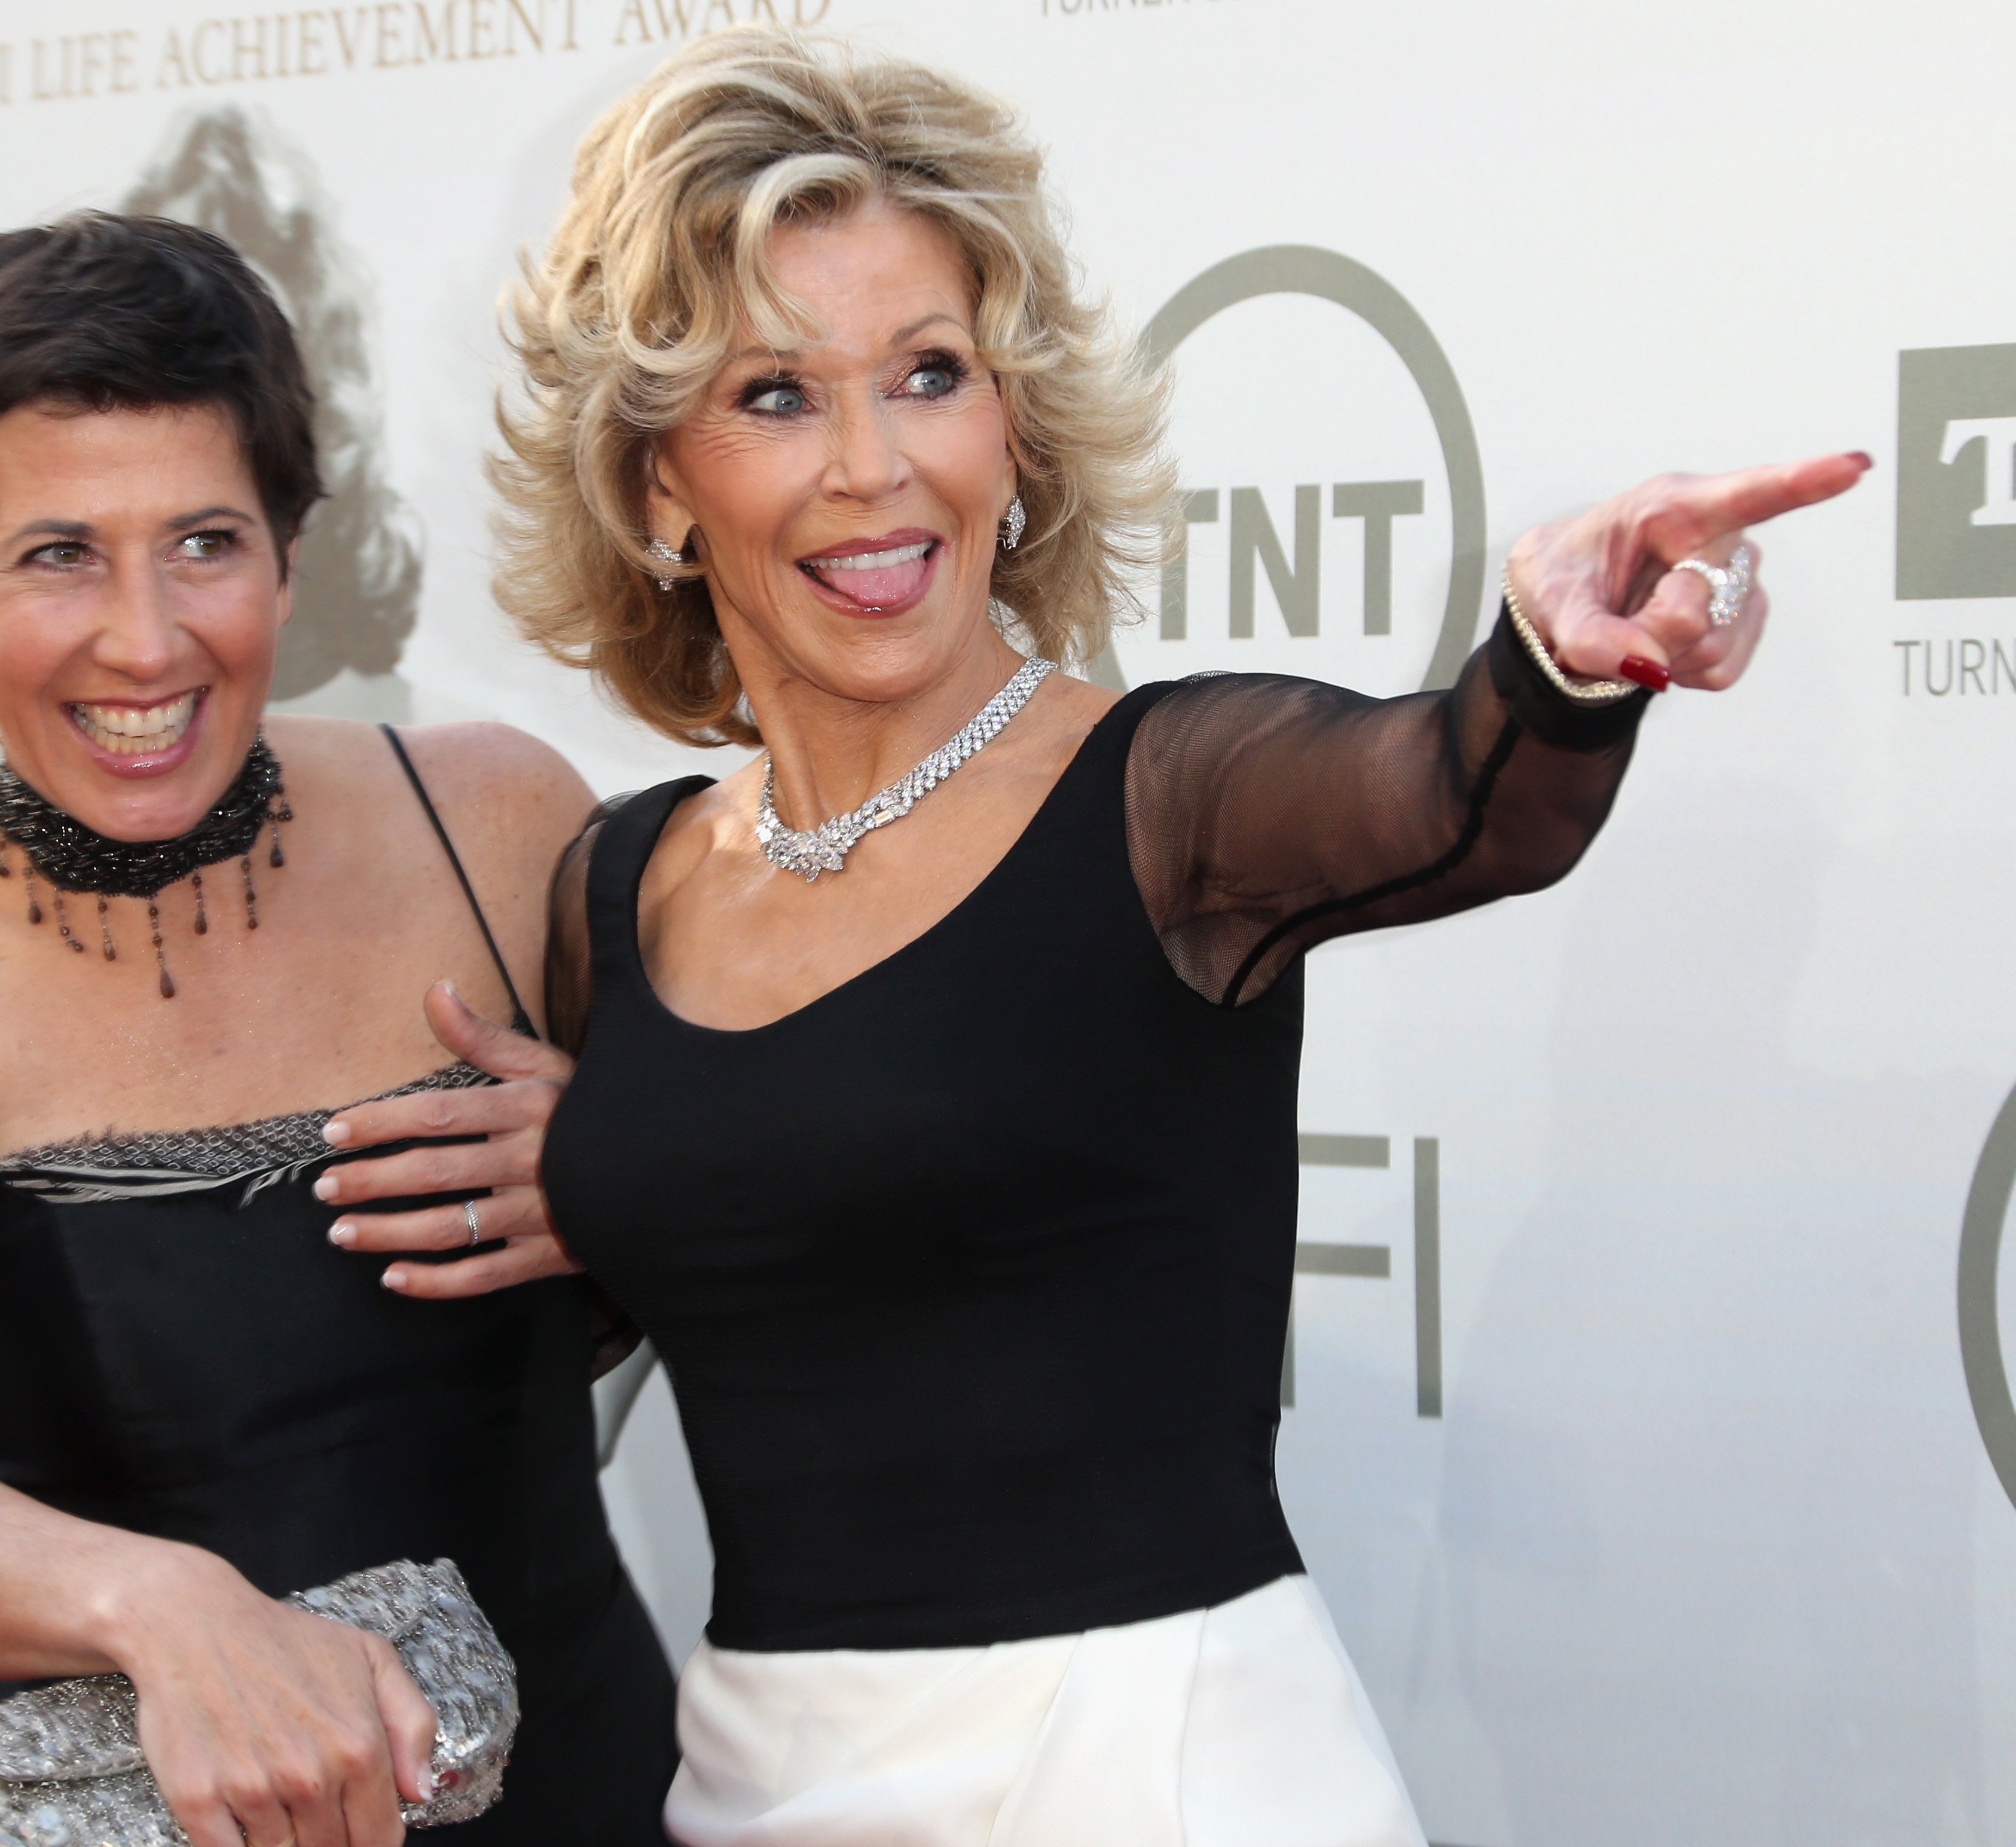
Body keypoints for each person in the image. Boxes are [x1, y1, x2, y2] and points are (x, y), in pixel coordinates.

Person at [319, 29, 1870, 1845]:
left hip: (1160, 1770)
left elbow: (1462, 794)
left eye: (928, 374)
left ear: (1016, 424)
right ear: (657, 484)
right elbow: (676, 1285)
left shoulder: (1171, 800)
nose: (872, 468)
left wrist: (1552, 664)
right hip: (761, 1777)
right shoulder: (621, 886)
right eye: (772, 397)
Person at [0, 212, 675, 1847]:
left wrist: (629, 1165)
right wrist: (157, 1606)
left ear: (292, 550)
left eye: (205, 542)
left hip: (587, 1783)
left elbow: (777, 1229)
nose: (146, 640)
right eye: (58, 552)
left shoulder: (499, 820)